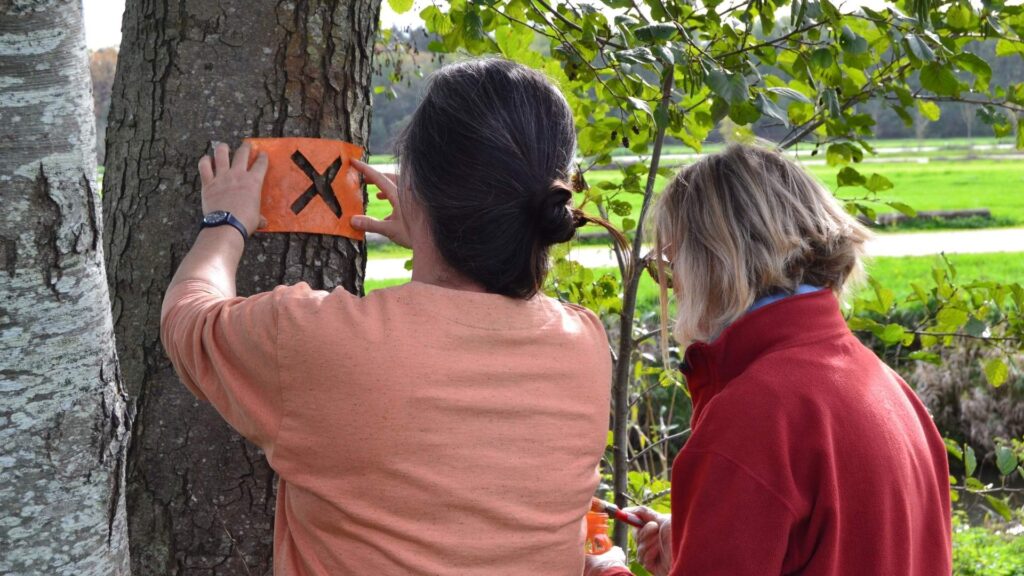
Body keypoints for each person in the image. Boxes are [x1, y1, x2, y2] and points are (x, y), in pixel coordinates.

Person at [161, 59, 616, 575]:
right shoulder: (585, 347)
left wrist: (226, 220)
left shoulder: (322, 342)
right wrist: (435, 235)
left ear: (416, 187)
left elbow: (187, 317)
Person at [586, 144, 952, 575]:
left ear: (712, 262)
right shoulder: (885, 385)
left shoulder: (755, 416)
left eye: (671, 262)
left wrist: (605, 570)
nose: (673, 286)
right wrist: (697, 541)